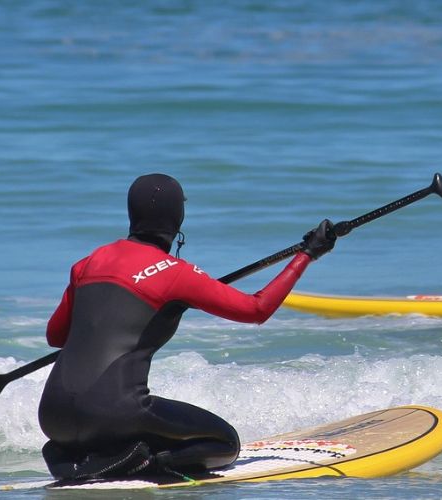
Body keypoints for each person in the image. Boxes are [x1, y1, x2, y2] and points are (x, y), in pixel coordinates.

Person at [38, 173, 337, 481]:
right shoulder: (176, 273)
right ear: (177, 218)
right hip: (113, 413)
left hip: (53, 417)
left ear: (132, 214)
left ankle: (77, 456)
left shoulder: (87, 263)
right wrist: (307, 255)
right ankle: (140, 463)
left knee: (122, 419)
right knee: (224, 443)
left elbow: (56, 336)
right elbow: (257, 309)